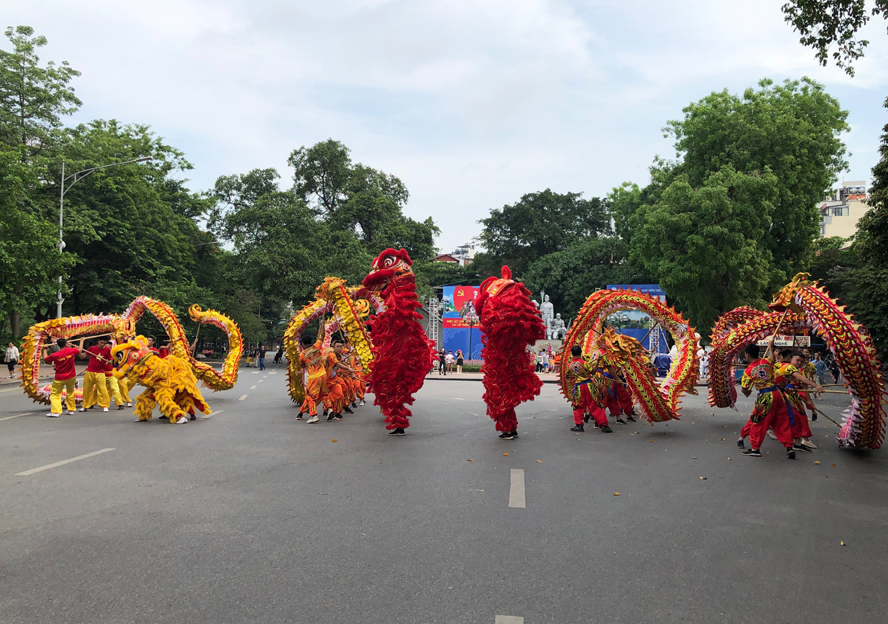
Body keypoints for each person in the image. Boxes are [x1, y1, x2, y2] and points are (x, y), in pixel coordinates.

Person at [736, 343, 796, 459]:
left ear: (747, 355)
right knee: (782, 421)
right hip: (778, 394)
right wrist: (769, 345)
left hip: (765, 397)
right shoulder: (766, 362)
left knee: (757, 422)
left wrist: (747, 392)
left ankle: (755, 449)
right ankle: (789, 447)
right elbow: (772, 359)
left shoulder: (748, 371)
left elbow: (745, 389)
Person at [567, 346, 611, 433]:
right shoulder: (585, 363)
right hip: (589, 385)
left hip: (579, 387)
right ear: (581, 353)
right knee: (596, 404)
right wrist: (597, 362)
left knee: (578, 406)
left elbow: (567, 376)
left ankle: (579, 425)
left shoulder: (570, 365)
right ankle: (604, 425)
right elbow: (593, 372)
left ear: (572, 354)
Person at [42, 338, 80, 417]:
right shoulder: (71, 351)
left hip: (60, 377)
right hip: (71, 376)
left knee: (55, 394)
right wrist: (82, 341)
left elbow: (46, 359)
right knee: (70, 392)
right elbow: (79, 350)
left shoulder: (56, 355)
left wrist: (45, 349)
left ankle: (56, 411)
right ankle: (71, 409)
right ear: (66, 344)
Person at [79, 338, 111, 413]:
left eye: (104, 343)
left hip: (100, 372)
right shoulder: (92, 348)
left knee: (102, 389)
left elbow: (111, 360)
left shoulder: (108, 350)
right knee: (87, 389)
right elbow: (82, 356)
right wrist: (78, 352)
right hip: (90, 371)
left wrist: (110, 361)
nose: (102, 345)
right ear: (98, 341)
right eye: (102, 342)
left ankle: (105, 405)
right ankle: (85, 406)